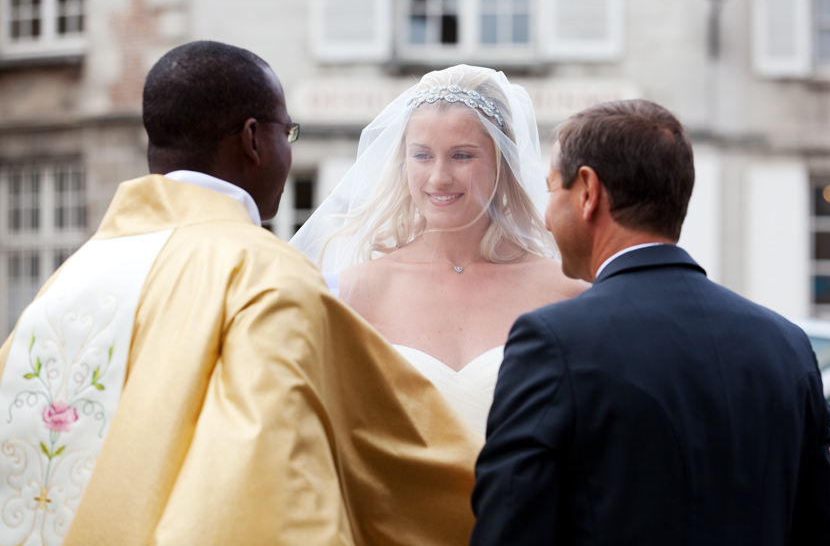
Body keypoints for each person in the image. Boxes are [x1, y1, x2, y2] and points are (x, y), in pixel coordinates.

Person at [0, 41, 480, 546]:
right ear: (253, 139)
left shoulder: (70, 278)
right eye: (287, 132)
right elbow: (336, 468)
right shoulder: (265, 276)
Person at [471, 100, 830, 545]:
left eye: (553, 189)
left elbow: (510, 530)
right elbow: (824, 532)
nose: (546, 218)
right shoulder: (786, 345)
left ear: (589, 192)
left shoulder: (554, 342)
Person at [291, 66, 584, 437]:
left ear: (502, 161)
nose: (439, 177)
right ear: (402, 161)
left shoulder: (567, 292)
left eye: (462, 156)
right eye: (422, 155)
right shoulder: (351, 292)